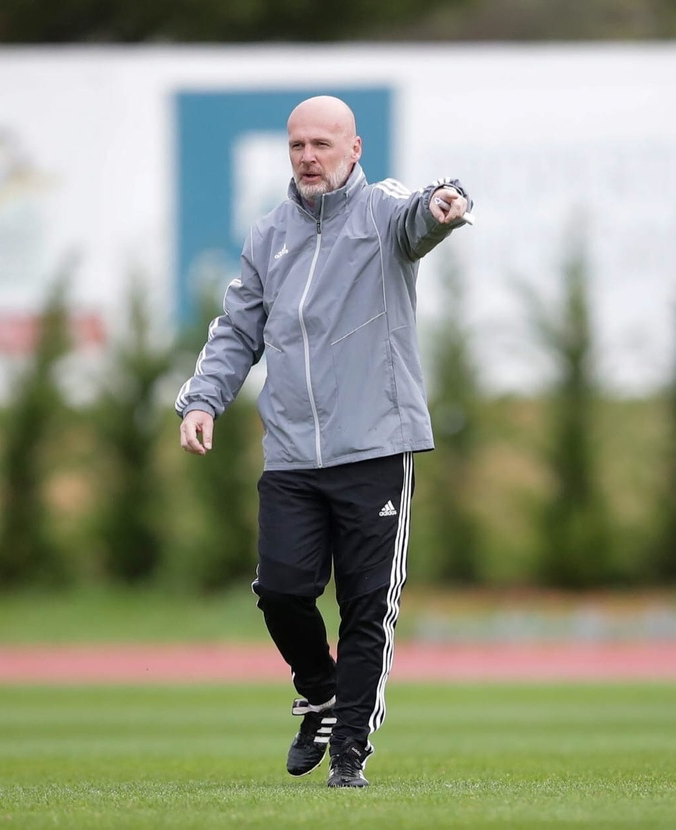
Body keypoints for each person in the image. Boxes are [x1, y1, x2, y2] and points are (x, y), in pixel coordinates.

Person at [175, 95, 471, 788]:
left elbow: (422, 214)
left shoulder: (383, 213)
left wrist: (445, 205)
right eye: (297, 146)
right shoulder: (269, 234)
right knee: (281, 591)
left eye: (322, 145)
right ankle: (319, 690)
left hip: (375, 448)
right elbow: (238, 330)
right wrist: (204, 399)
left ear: (354, 148)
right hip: (292, 455)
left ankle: (349, 756)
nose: (308, 157)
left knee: (367, 608)